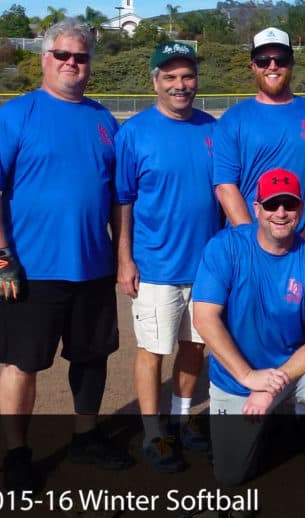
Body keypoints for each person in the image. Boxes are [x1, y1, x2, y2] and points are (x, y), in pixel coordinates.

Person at [0, 18, 132, 491]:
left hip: (93, 265)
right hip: (31, 269)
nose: (71, 63)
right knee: (22, 362)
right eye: (62, 55)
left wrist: (121, 255)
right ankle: (16, 453)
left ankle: (86, 436)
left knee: (92, 356)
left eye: (80, 56)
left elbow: (118, 199)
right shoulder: (16, 115)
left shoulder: (104, 121)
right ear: (45, 58)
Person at [186, 168, 305, 518]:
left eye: (289, 205)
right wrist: (249, 377)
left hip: (291, 372)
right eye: (273, 204)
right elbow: (204, 317)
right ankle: (271, 428)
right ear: (257, 207)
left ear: (300, 210)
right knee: (230, 475)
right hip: (238, 377)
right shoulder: (225, 247)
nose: (281, 212)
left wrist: (273, 384)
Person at [114, 42, 224, 473]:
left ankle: (181, 418)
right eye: (170, 77)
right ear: (155, 82)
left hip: (205, 267)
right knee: (153, 349)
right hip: (156, 266)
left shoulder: (212, 129)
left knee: (195, 345)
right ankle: (153, 432)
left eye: (187, 76)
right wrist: (124, 259)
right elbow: (122, 200)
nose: (180, 85)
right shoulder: (134, 132)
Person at [212, 27, 305, 245]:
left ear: (292, 63)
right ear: (252, 66)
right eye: (263, 60)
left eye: (281, 59)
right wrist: (252, 244)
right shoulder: (233, 119)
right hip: (247, 246)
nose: (272, 66)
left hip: (303, 245)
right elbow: (225, 186)